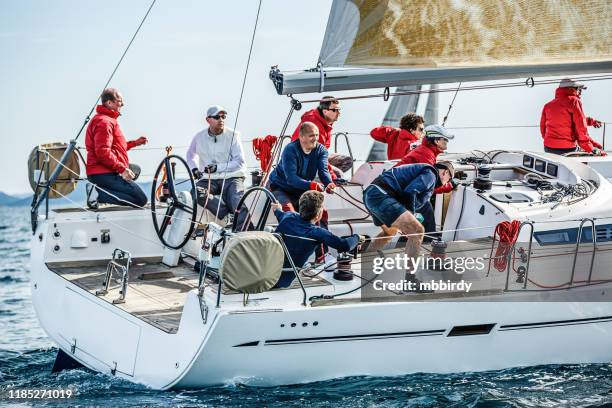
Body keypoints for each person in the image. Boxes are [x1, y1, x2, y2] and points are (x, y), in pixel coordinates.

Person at [363, 162, 454, 277]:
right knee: (417, 231)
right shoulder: (431, 174)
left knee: (389, 231)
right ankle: (410, 281)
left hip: (371, 194)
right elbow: (410, 191)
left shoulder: (425, 173)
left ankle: (365, 264)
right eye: (449, 179)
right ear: (445, 172)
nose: (448, 182)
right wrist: (412, 214)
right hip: (382, 195)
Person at [272, 191, 362, 287]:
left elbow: (278, 213)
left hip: (265, 271)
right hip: (281, 282)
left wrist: (277, 209)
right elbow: (345, 245)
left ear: (301, 207)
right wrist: (357, 237)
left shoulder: (288, 216)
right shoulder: (317, 232)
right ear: (318, 215)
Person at [186, 105, 250, 228]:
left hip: (232, 178)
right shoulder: (199, 137)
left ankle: (246, 232)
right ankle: (226, 215)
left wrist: (217, 167)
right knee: (195, 192)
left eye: (223, 116)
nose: (221, 119)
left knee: (237, 200)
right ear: (208, 120)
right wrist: (194, 169)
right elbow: (190, 155)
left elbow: (240, 162)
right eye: (217, 117)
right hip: (208, 179)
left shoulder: (233, 135)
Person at [85, 88, 148, 208]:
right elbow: (103, 152)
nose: (123, 104)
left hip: (105, 171)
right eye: (119, 101)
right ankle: (97, 194)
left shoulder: (107, 120)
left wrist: (136, 143)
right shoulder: (104, 122)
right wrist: (122, 169)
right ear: (109, 103)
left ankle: (103, 192)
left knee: (135, 170)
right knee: (140, 199)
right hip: (103, 173)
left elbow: (117, 147)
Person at [394, 125, 459, 240]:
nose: (447, 142)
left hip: (398, 190)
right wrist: (449, 185)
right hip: (400, 193)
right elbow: (427, 188)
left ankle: (415, 241)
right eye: (445, 139)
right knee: (425, 209)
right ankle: (428, 245)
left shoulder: (426, 151)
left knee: (423, 210)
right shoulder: (426, 155)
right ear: (436, 140)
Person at [269, 122, 336, 212]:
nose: (315, 139)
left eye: (317, 135)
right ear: (301, 137)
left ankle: (318, 226)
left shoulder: (321, 150)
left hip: (302, 190)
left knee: (320, 212)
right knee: (289, 212)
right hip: (280, 188)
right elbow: (291, 179)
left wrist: (329, 184)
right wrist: (311, 185)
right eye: (311, 136)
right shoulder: (290, 150)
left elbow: (323, 171)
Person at [540, 78, 606, 156]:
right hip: (568, 149)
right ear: (570, 89)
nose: (580, 93)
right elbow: (580, 129)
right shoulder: (574, 101)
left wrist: (591, 122)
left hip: (549, 148)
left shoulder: (548, 105)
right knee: (585, 159)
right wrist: (591, 149)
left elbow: (543, 128)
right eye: (578, 89)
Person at [290, 96, 351, 177]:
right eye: (334, 110)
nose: (338, 113)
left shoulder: (324, 121)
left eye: (339, 110)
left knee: (347, 161)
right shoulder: (313, 125)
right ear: (325, 111)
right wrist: (333, 176)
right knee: (338, 175)